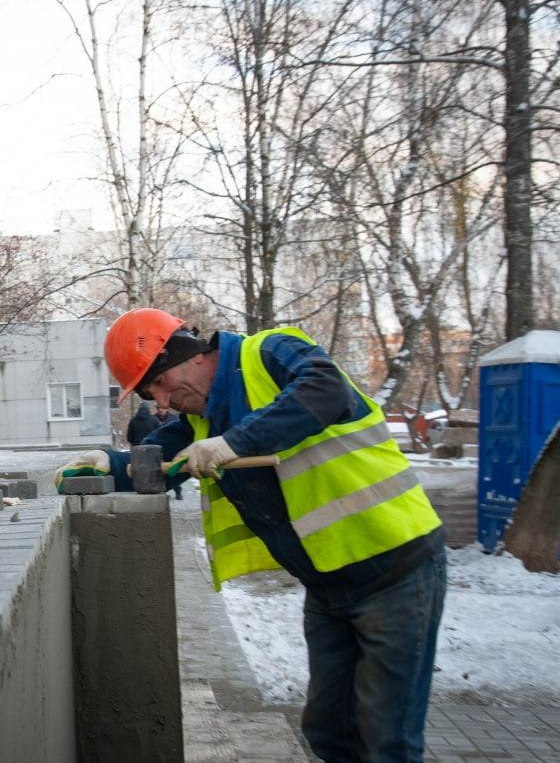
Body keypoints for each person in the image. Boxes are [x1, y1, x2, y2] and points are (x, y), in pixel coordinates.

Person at [60, 308, 446, 762]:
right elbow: (158, 463)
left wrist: (235, 443)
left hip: (396, 573)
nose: (161, 404)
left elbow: (326, 390)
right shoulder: (202, 422)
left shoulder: (271, 353)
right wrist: (111, 463)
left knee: (388, 741)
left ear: (182, 356)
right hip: (329, 587)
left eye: (157, 387)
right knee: (330, 733)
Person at [127, 401, 182, 499]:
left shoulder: (134, 421)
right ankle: (169, 490)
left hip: (141, 450)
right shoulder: (154, 419)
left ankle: (173, 490)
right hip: (156, 451)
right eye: (158, 408)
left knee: (146, 471)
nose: (160, 410)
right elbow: (159, 434)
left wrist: (136, 444)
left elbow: (130, 437)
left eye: (162, 408)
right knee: (160, 470)